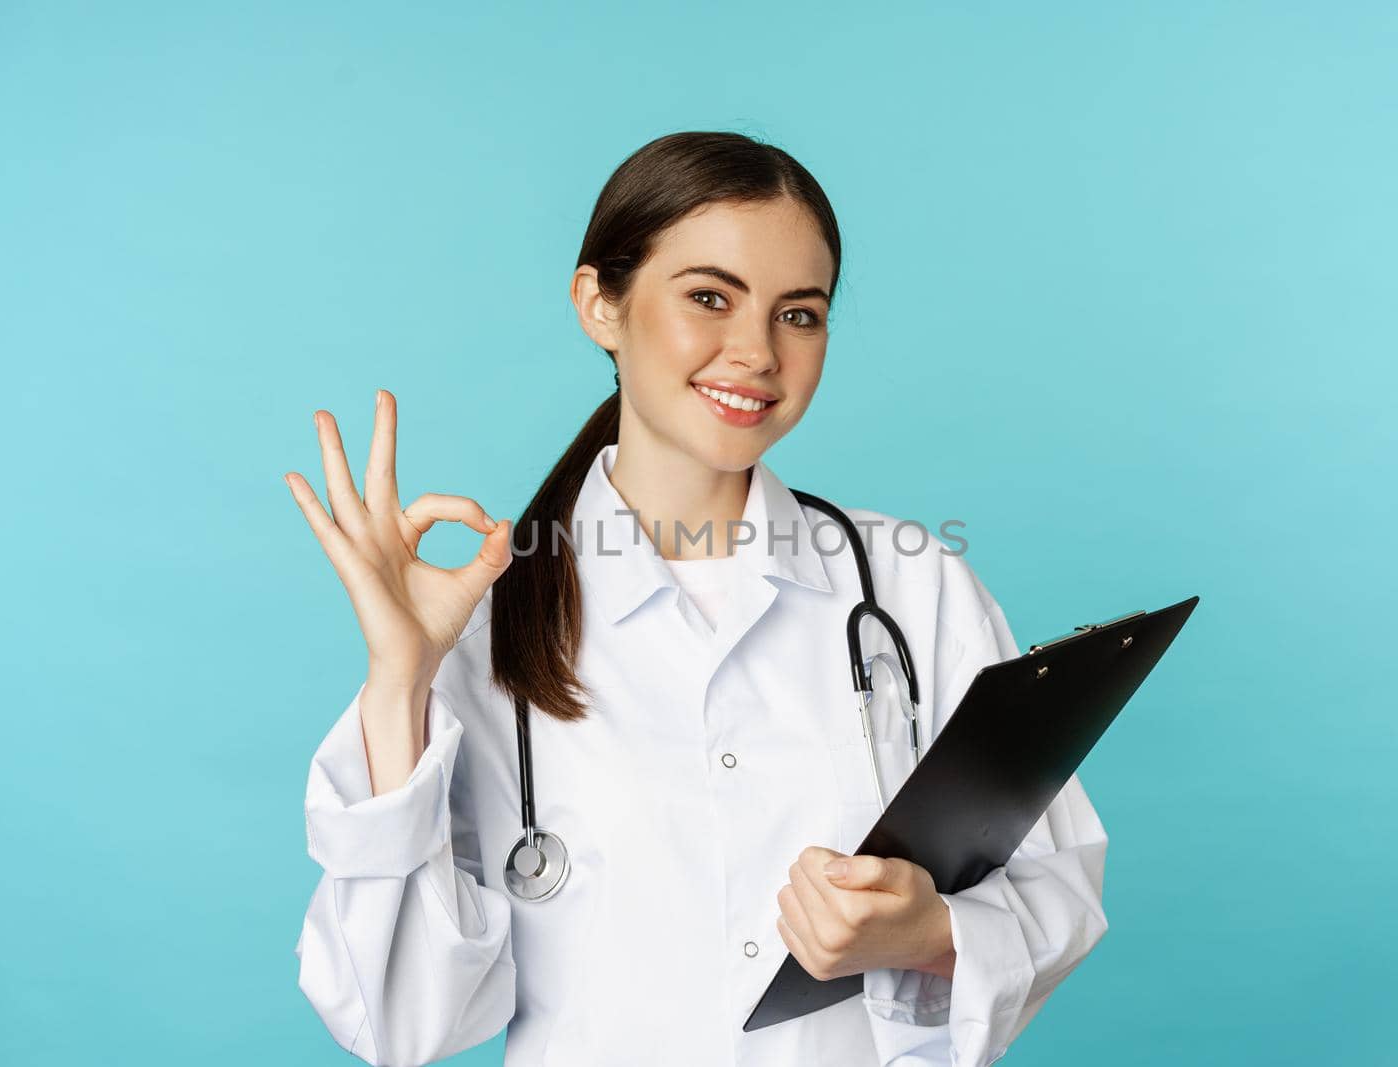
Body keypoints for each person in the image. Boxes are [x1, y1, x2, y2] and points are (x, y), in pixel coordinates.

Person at [285, 131, 1109, 1067]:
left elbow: (1059, 885)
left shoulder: (913, 583)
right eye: (709, 297)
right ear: (600, 303)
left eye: (799, 314)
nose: (756, 352)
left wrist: (926, 935)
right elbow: (397, 1022)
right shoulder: (482, 617)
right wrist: (399, 683)